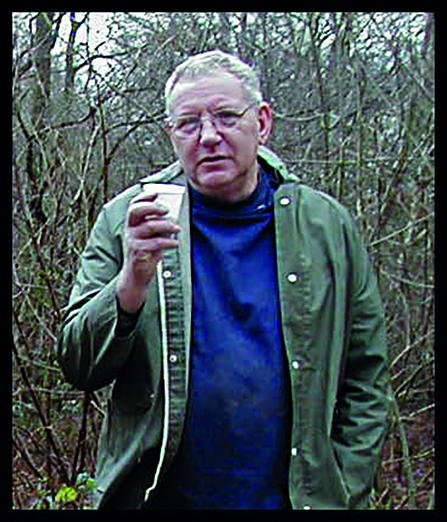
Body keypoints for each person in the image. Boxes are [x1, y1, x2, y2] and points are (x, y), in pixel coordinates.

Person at [57, 50, 390, 510]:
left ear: (263, 122)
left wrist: (345, 484)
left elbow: (366, 373)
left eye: (227, 117)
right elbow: (79, 365)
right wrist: (131, 281)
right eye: (189, 123)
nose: (209, 137)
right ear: (170, 136)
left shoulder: (325, 225)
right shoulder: (128, 219)